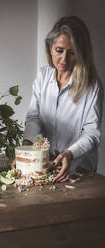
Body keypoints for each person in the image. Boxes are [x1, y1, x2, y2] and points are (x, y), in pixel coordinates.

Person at [12, 15, 103, 183]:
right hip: (46, 166)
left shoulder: (92, 86)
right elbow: (34, 117)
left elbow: (92, 134)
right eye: (59, 50)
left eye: (72, 53)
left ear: (81, 53)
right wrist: (26, 151)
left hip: (79, 170)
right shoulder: (42, 76)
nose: (64, 59)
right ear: (50, 47)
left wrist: (70, 154)